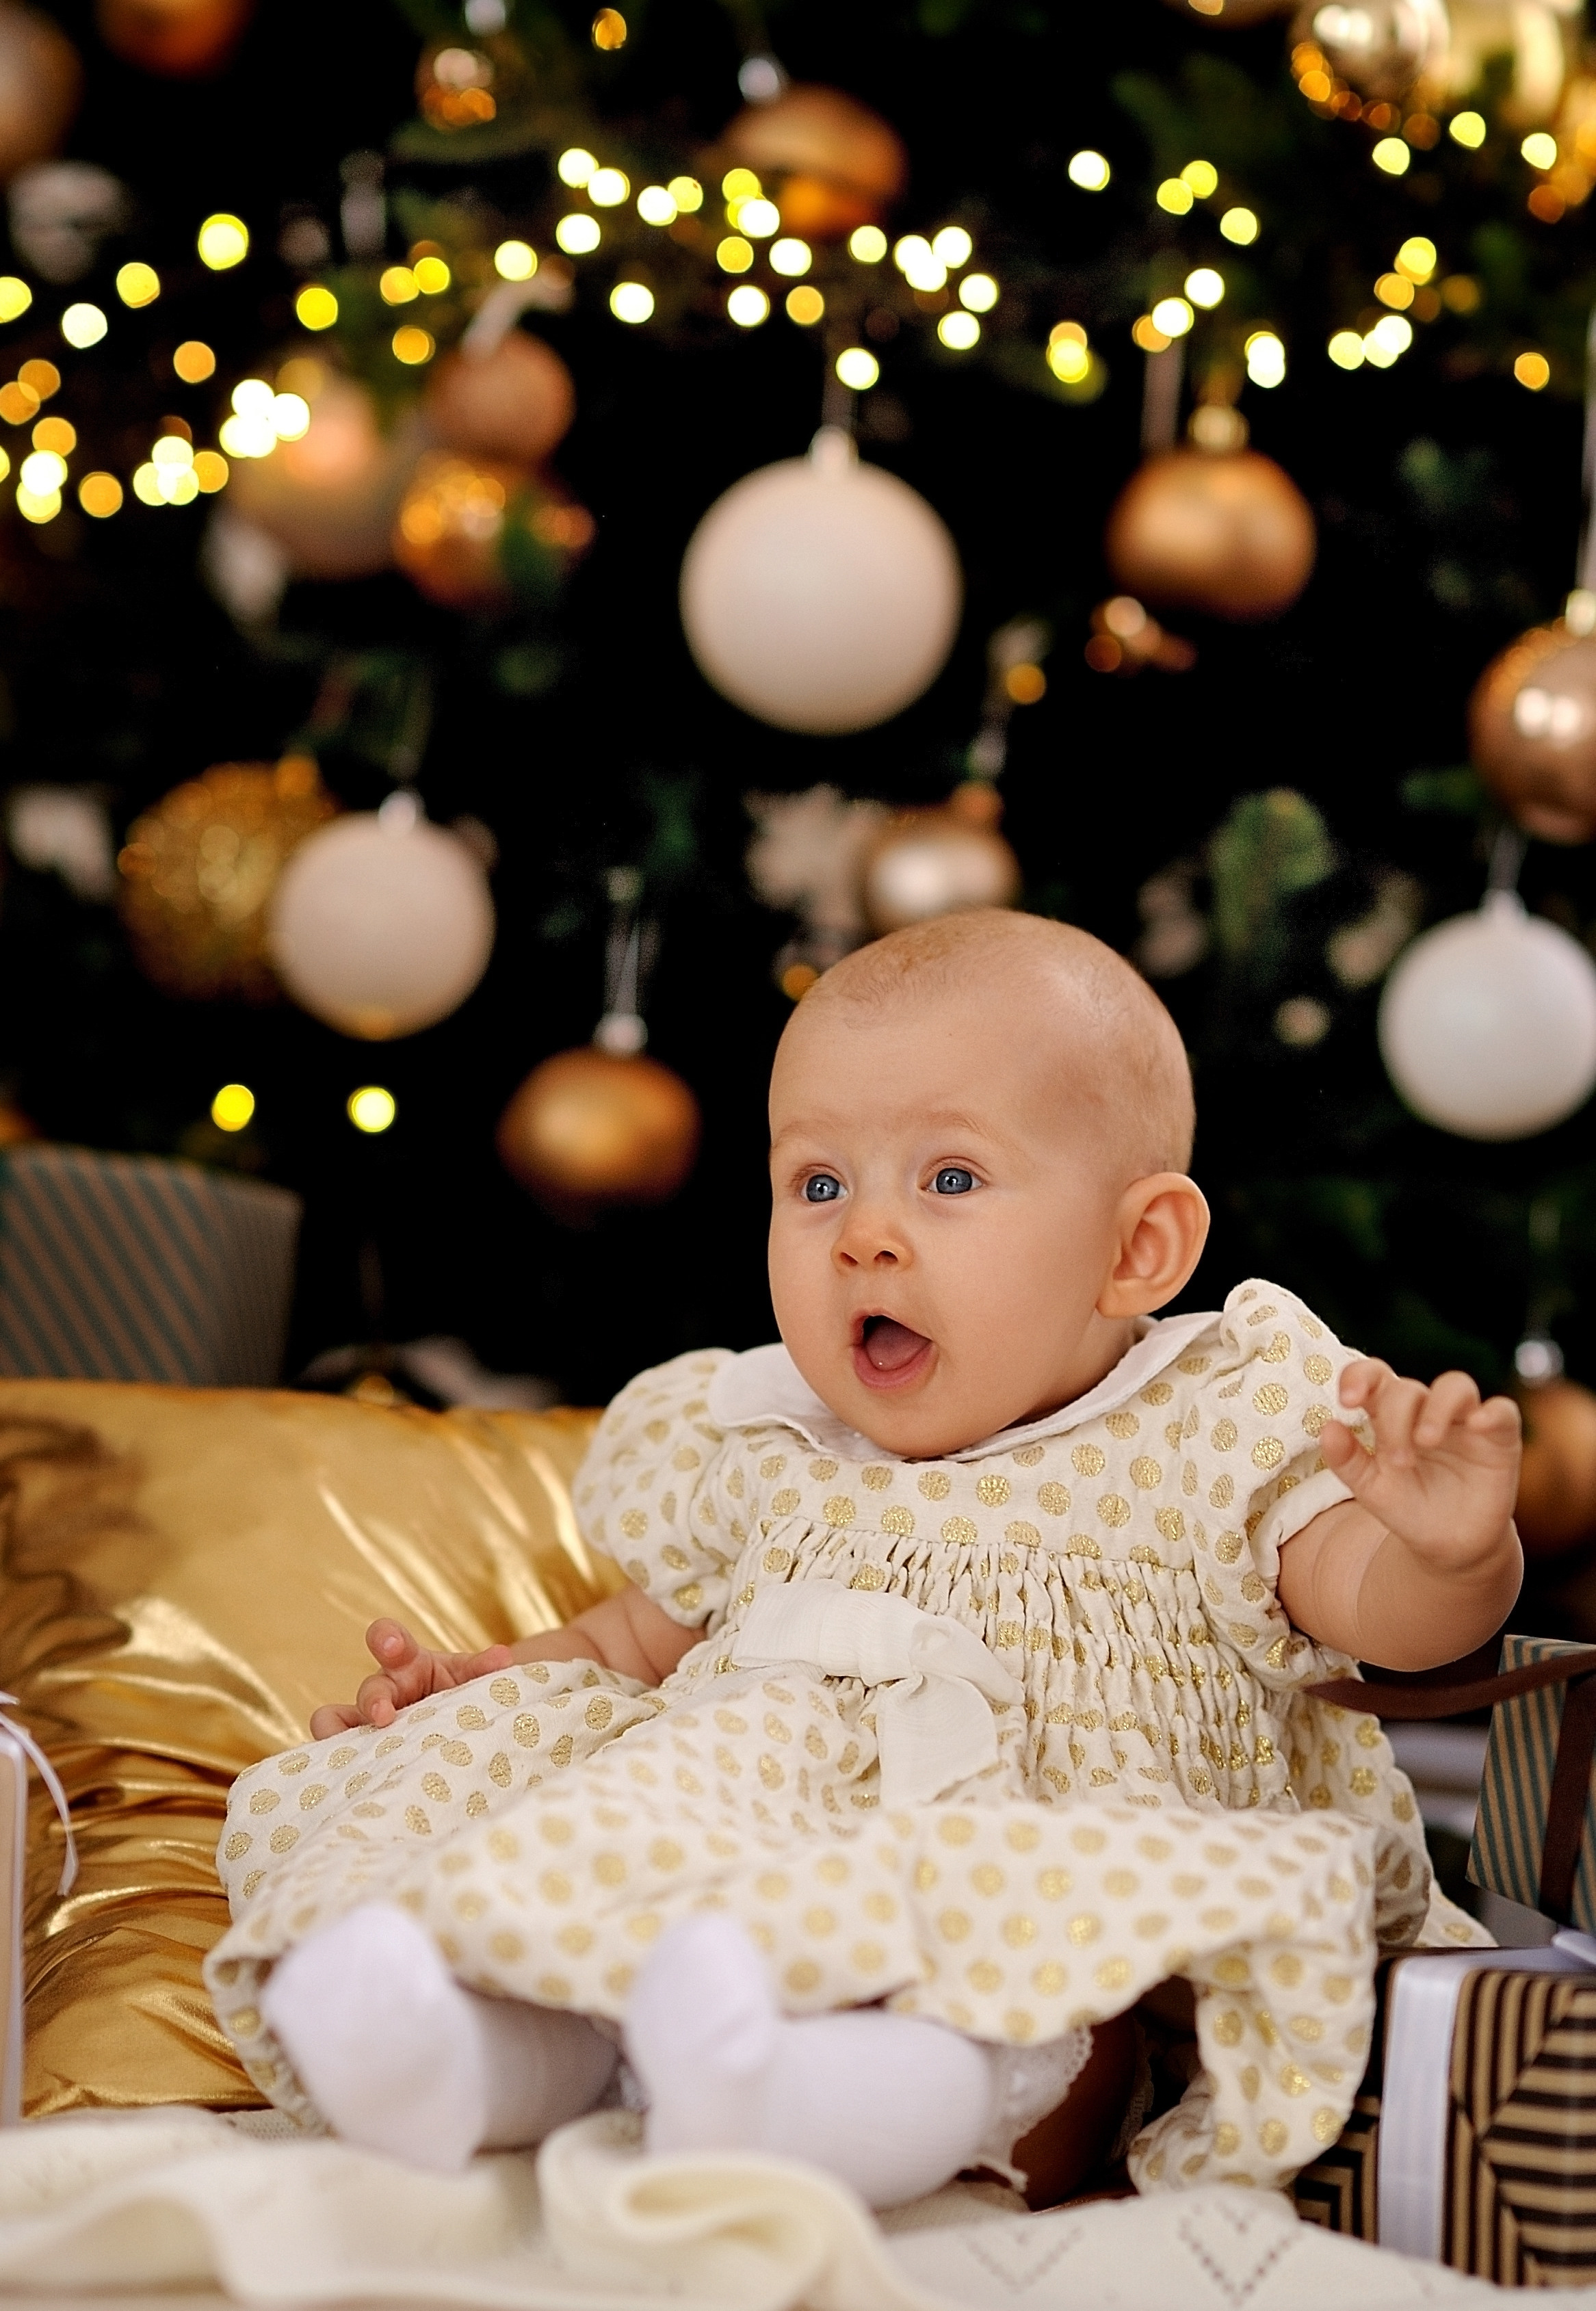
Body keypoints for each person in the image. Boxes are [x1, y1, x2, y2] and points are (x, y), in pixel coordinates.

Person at [205, 910, 1519, 2209]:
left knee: (1031, 2036)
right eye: (818, 1182)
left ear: (1136, 1250)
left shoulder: (1206, 1426)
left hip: (1021, 1911)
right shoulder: (772, 1439)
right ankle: (457, 2048)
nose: (863, 1235)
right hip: (735, 1845)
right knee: (564, 1849)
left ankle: (788, 2096)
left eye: (948, 1179)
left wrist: (1447, 1549)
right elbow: (637, 1643)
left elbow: (1375, 1614)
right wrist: (479, 1679)